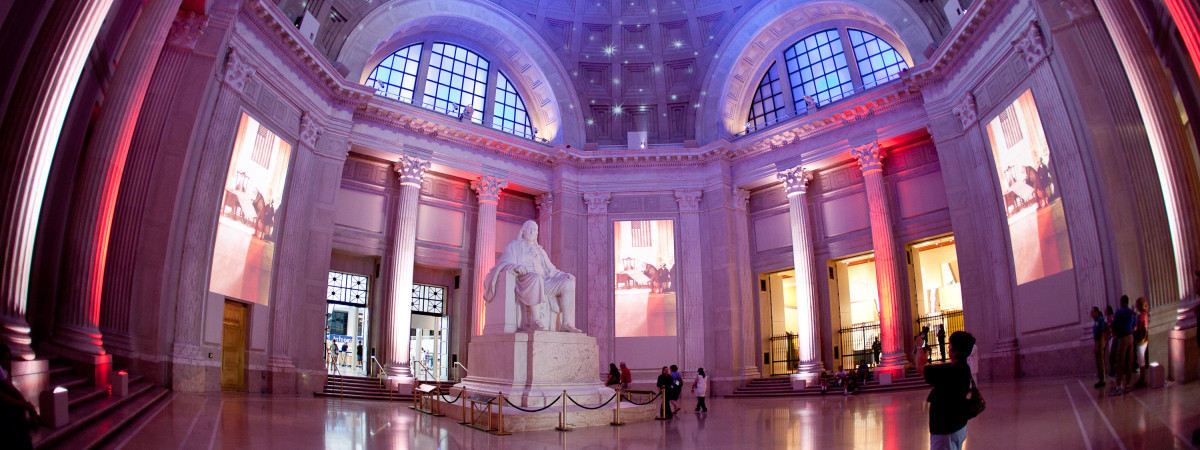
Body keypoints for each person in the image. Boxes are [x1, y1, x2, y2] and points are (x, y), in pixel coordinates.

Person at [483, 220, 582, 332]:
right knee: (536, 278)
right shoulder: (514, 246)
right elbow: (504, 263)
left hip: (543, 281)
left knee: (568, 284)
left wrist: (565, 275)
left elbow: (551, 270)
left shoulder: (540, 251)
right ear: (524, 231)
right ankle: (535, 320)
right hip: (525, 279)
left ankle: (566, 323)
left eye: (535, 230)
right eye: (530, 229)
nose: (532, 231)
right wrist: (515, 267)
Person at [917, 330, 976, 450]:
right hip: (958, 426)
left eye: (951, 345)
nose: (948, 347)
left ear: (956, 351)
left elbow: (920, 367)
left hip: (945, 430)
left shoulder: (950, 372)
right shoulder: (964, 369)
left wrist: (920, 346)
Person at [1, 343, 38, 450]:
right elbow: (4, 396)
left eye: (9, 359)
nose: (8, 362)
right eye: (5, 359)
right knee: (11, 411)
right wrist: (26, 405)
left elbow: (13, 390)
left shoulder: (4, 371)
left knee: (17, 410)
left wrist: (27, 405)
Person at [1110, 295, 1136, 396]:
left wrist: (1115, 335)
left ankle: (1117, 387)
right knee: (1129, 363)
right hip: (1130, 337)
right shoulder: (1132, 312)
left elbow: (1114, 325)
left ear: (1121, 302)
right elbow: (1134, 326)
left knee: (1120, 363)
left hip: (1122, 338)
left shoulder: (1119, 312)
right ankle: (1128, 385)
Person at [1133, 297, 1150, 388]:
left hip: (1141, 340)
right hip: (1144, 339)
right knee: (1141, 360)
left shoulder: (1141, 315)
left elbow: (1140, 327)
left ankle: (1142, 380)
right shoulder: (1145, 314)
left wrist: (1135, 332)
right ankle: (1142, 379)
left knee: (1141, 361)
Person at [1091, 307, 1109, 388]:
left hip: (1100, 341)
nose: (1091, 314)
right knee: (1098, 361)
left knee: (1100, 360)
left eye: (1092, 312)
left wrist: (1102, 342)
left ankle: (1103, 379)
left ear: (1096, 312)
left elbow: (1103, 331)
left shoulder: (1100, 320)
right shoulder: (1096, 321)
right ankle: (1100, 378)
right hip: (1097, 341)